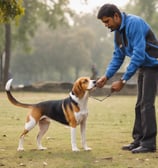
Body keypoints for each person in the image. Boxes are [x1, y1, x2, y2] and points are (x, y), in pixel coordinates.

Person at [96, 3, 158, 154]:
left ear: (116, 16)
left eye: (107, 21)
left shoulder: (134, 23)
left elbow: (138, 54)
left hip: (154, 64)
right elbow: (118, 56)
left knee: (146, 103)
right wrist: (106, 76)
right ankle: (138, 140)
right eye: (104, 22)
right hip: (144, 65)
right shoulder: (118, 32)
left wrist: (123, 80)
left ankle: (149, 143)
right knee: (139, 104)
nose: (106, 25)